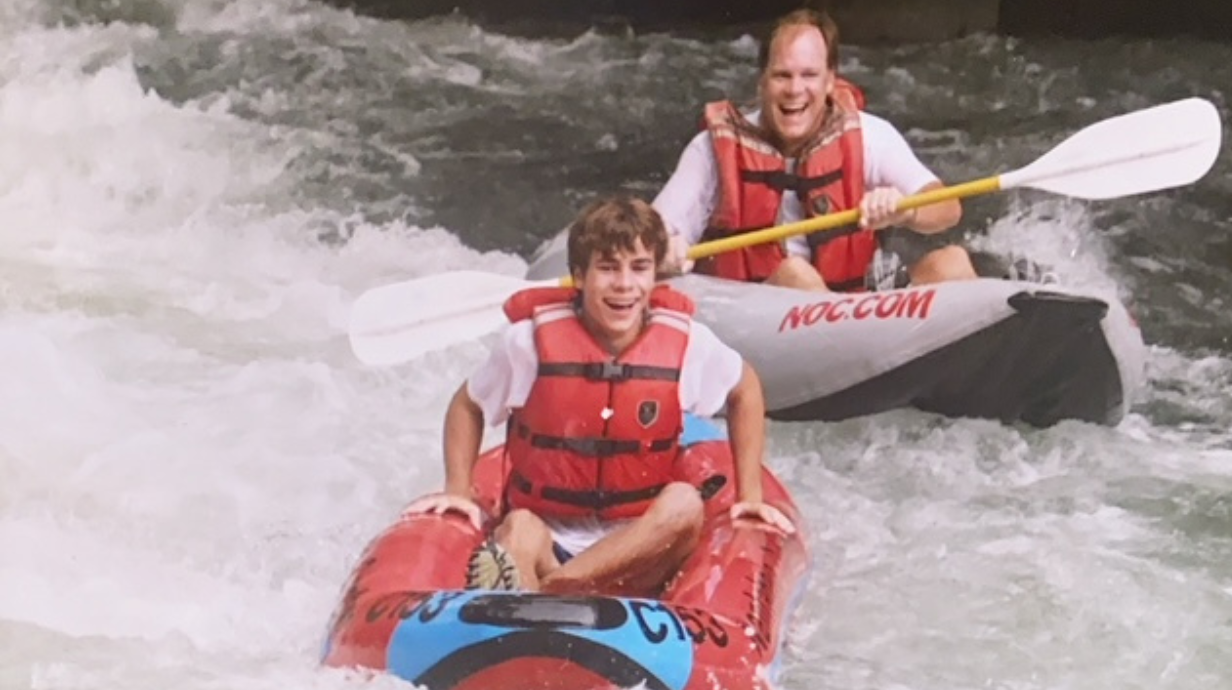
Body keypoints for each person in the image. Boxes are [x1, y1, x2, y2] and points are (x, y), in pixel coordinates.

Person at [405, 195, 794, 597]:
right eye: (607, 269)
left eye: (639, 268)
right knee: (519, 528)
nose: (625, 285)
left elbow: (744, 389)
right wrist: (457, 488)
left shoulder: (689, 343)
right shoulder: (528, 345)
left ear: (655, 277)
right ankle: (533, 608)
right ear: (579, 276)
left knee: (683, 503)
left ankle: (552, 593)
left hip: (640, 546)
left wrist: (750, 495)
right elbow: (468, 405)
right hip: (549, 538)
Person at [654, 8, 978, 292]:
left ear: (829, 83)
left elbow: (948, 209)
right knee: (796, 275)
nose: (795, 90)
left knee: (953, 264)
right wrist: (665, 247)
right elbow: (646, 236)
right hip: (760, 315)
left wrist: (907, 211)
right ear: (762, 82)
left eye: (809, 75)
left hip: (853, 311)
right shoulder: (710, 150)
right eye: (782, 75)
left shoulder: (868, 135)